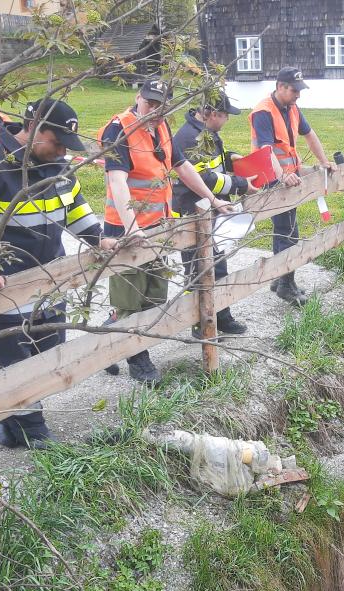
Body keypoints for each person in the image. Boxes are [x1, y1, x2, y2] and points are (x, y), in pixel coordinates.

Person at [0, 98, 108, 449]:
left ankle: (8, 421)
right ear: (33, 128)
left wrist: (98, 238)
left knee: (48, 355)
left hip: (50, 283)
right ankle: (34, 431)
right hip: (5, 289)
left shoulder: (59, 164)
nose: (62, 151)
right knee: (15, 362)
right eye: (57, 142)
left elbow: (74, 206)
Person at [98, 79, 232, 384]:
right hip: (126, 229)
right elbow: (118, 182)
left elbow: (182, 167)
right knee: (131, 298)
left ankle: (111, 332)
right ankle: (138, 359)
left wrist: (212, 200)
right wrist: (132, 228)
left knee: (155, 294)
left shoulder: (161, 128)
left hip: (158, 226)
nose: (155, 111)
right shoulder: (118, 130)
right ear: (138, 98)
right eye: (150, 103)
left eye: (162, 106)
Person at [171, 89, 256, 335]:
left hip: (211, 211)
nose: (227, 120)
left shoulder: (205, 133)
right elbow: (205, 178)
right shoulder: (190, 138)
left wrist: (231, 158)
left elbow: (214, 164)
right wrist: (240, 185)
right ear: (213, 113)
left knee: (218, 264)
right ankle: (200, 323)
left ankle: (221, 316)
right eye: (225, 115)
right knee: (197, 270)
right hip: (192, 212)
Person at [249, 67, 336, 306]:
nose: (298, 95)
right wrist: (283, 176)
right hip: (273, 178)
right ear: (280, 87)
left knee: (284, 230)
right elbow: (266, 150)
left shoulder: (292, 108)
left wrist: (324, 161)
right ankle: (286, 286)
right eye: (294, 90)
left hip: (288, 177)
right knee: (288, 232)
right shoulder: (263, 112)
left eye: (299, 90)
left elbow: (310, 134)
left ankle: (281, 279)